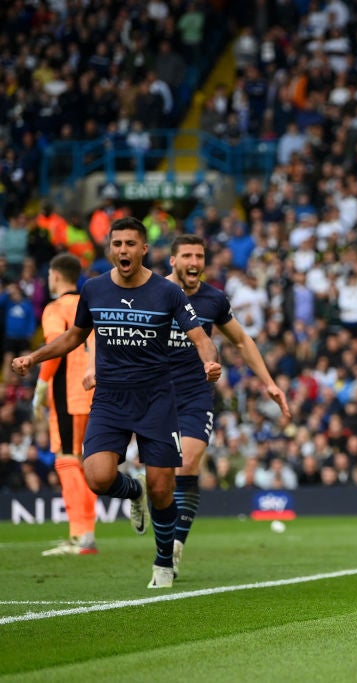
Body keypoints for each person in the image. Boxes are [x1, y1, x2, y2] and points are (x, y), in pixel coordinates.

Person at [11, 217, 221, 589]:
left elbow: (200, 337)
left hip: (156, 400)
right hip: (109, 399)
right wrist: (35, 357)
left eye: (130, 244)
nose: (123, 250)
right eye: (117, 243)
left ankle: (162, 564)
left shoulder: (167, 293)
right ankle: (132, 491)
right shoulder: (94, 290)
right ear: (111, 248)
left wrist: (209, 361)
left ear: (144, 249)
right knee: (97, 476)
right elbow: (74, 336)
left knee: (163, 489)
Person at [165, 234, 291, 576]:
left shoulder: (213, 299)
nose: (194, 262)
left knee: (186, 463)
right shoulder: (154, 294)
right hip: (155, 395)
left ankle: (173, 549)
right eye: (187, 255)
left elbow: (241, 340)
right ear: (172, 261)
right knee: (158, 480)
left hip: (195, 395)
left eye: (200, 256)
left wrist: (268, 383)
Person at [35, 253, 99, 556]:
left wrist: (42, 383)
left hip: (68, 394)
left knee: (67, 460)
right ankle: (84, 533)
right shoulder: (91, 303)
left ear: (56, 275)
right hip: (95, 393)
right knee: (85, 463)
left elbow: (55, 347)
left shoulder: (56, 307)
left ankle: (81, 535)